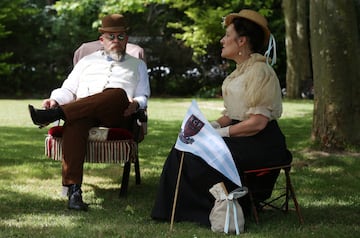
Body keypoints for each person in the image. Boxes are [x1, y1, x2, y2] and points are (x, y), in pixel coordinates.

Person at [151, 9, 292, 227]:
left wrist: (220, 134)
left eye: (227, 35)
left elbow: (258, 122)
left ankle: (218, 208)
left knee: (199, 155)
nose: (222, 40)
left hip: (261, 142)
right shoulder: (237, 74)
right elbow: (231, 115)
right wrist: (208, 126)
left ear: (242, 41)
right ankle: (175, 210)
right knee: (184, 145)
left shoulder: (260, 72)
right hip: (241, 135)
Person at [28, 14, 150, 211]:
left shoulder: (138, 65)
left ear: (126, 39)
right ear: (102, 40)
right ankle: (74, 192)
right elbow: (68, 89)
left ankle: (55, 115)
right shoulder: (86, 62)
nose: (116, 41)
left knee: (116, 93)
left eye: (121, 37)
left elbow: (144, 95)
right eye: (111, 37)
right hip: (85, 114)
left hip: (119, 114)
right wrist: (55, 99)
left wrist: (136, 103)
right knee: (75, 123)